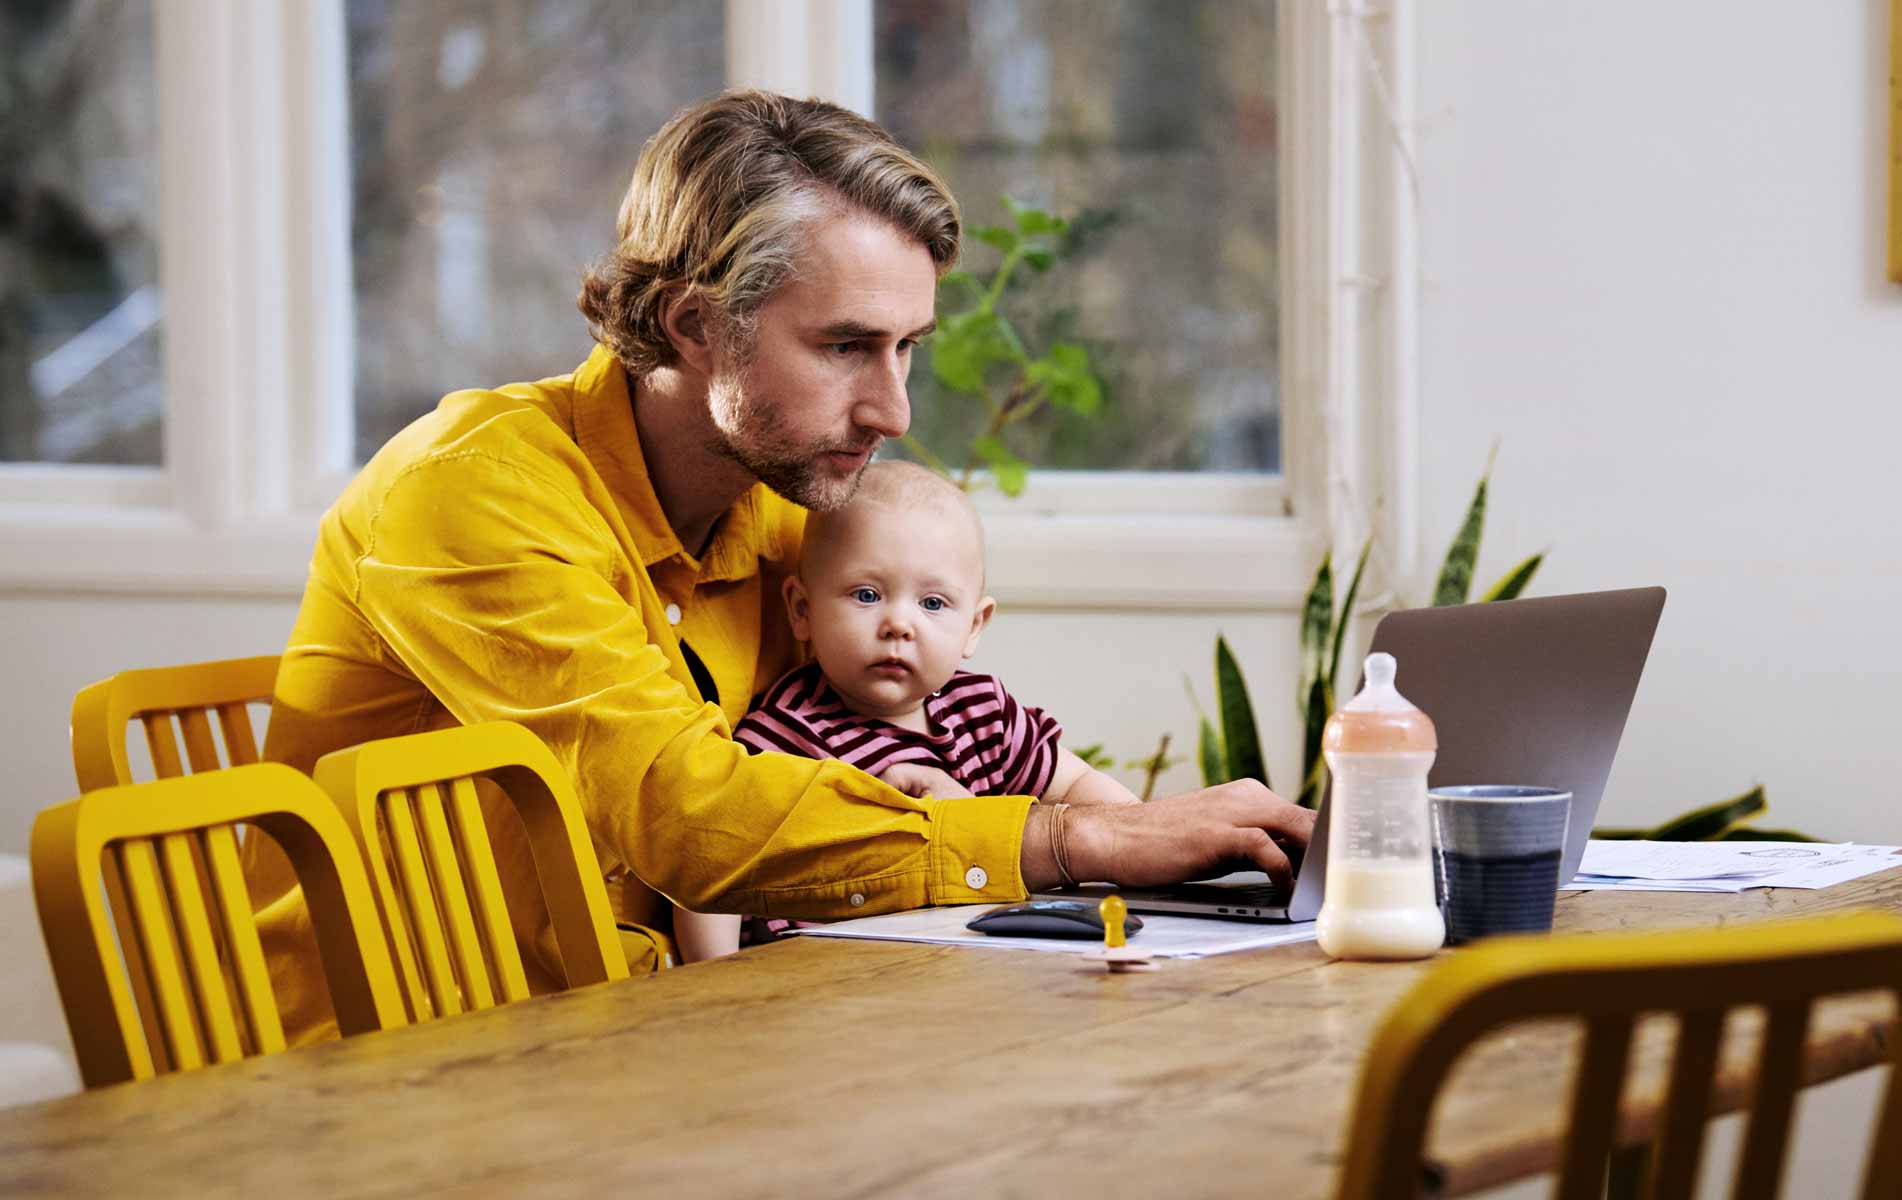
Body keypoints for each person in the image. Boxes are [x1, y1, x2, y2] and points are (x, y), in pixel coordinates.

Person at [248, 88, 1313, 1041]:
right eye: (846, 346)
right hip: (408, 1065)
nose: (892, 410)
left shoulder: (781, 500)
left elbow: (880, 734)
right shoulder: (471, 491)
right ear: (695, 324)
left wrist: (1131, 825)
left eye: (907, 350)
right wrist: (1071, 840)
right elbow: (686, 813)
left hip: (656, 1032)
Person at [676, 461, 1140, 961]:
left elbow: (1081, 790)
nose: (899, 623)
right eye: (867, 594)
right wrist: (716, 974)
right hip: (822, 975)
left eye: (933, 603)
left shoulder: (984, 712)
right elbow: (714, 859)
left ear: (975, 626)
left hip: (969, 964)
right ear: (802, 611)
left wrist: (1137, 842)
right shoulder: (788, 735)